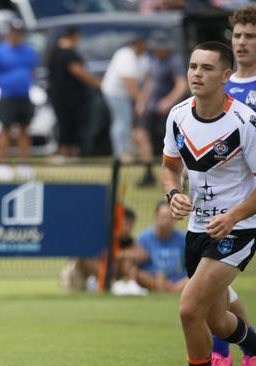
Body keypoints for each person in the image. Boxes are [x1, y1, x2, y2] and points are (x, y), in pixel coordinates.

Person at [161, 41, 256, 366]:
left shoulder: (246, 123)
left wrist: (233, 216)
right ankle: (255, 346)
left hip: (238, 230)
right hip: (197, 228)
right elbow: (169, 169)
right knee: (217, 321)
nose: (197, 74)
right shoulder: (177, 116)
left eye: (207, 68)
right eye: (193, 66)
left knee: (189, 310)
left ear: (226, 76)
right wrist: (173, 195)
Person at [212, 6, 256, 365]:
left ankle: (225, 350)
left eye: (251, 36)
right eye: (238, 35)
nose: (241, 43)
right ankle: (234, 348)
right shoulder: (218, 82)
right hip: (222, 204)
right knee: (212, 284)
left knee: (208, 285)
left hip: (251, 202)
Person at [0, 19, 39, 181]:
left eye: (20, 34)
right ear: (9, 34)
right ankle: (2, 164)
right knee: (5, 130)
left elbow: (33, 72)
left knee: (24, 130)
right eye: (14, 34)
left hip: (24, 96)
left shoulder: (30, 52)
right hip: (7, 97)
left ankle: (24, 164)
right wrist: (5, 83)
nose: (17, 37)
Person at [134, 32, 188, 187]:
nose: (157, 50)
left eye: (160, 48)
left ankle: (180, 176)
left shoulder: (174, 61)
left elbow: (181, 84)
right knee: (141, 134)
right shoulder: (154, 60)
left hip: (168, 112)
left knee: (175, 144)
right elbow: (150, 83)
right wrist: (141, 102)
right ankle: (148, 171)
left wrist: (168, 102)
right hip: (151, 108)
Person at [47, 26, 101, 160]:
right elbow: (78, 71)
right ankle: (69, 152)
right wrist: (97, 83)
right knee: (70, 125)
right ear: (74, 36)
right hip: (70, 98)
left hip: (58, 96)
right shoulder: (68, 53)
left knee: (63, 124)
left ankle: (65, 151)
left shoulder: (54, 51)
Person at [102, 36, 149, 164]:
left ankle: (127, 151)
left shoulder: (142, 57)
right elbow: (130, 81)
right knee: (122, 121)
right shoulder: (126, 55)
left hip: (125, 94)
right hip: (115, 92)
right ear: (137, 43)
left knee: (126, 121)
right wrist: (139, 101)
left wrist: (141, 99)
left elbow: (146, 77)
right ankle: (120, 153)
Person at [129, 201, 188, 293]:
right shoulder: (143, 238)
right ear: (156, 217)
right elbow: (137, 266)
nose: (167, 221)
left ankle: (171, 290)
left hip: (179, 282)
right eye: (163, 217)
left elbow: (192, 266)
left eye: (170, 217)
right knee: (139, 274)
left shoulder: (184, 239)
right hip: (154, 280)